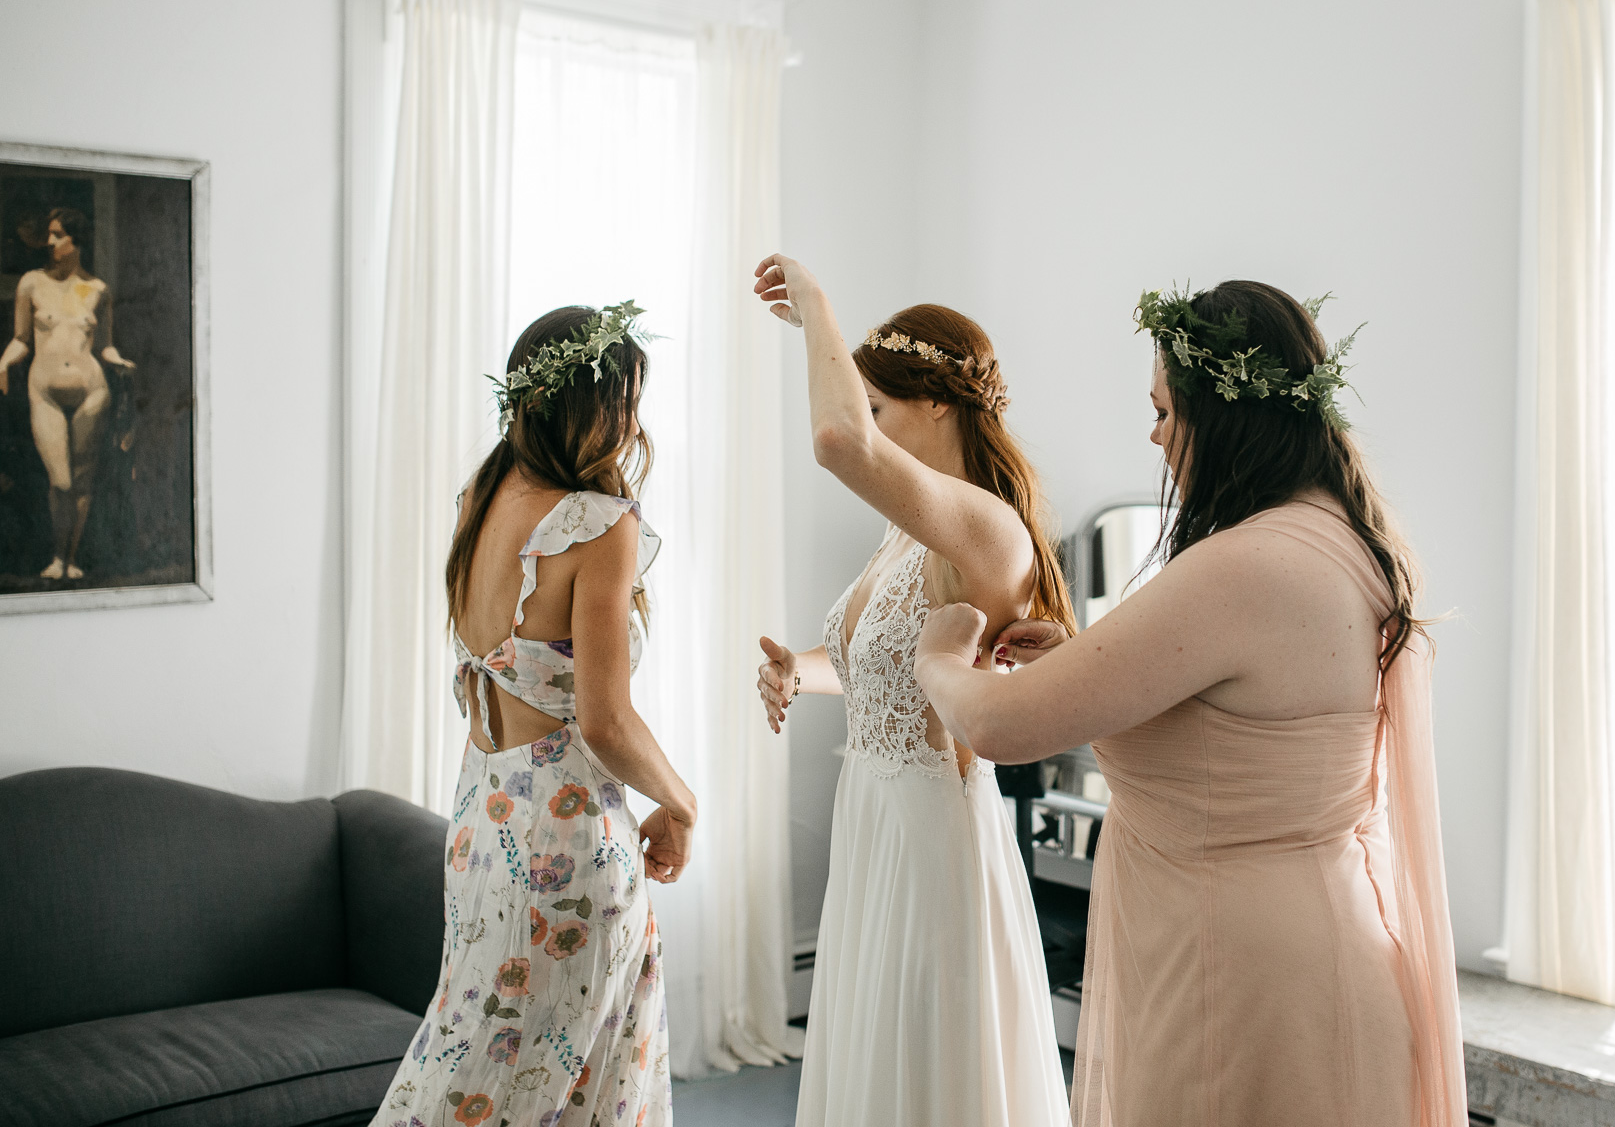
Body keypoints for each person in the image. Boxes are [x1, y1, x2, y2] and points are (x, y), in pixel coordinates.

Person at [914, 281, 1467, 1127]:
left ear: (1224, 416)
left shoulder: (1244, 563)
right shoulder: (1352, 540)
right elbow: (1250, 723)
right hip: (1319, 947)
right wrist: (1089, 665)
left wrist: (940, 656)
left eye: (1167, 410)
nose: (1156, 434)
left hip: (1239, 976)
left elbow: (999, 727)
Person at [748, 254, 1073, 1127]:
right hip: (873, 819)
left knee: (925, 1064)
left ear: (935, 401)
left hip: (932, 834)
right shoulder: (903, 537)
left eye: (881, 405)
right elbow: (882, 669)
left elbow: (835, 441)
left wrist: (817, 307)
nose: (871, 426)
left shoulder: (988, 526)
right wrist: (800, 670)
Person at [374, 303, 693, 1127]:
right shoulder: (599, 525)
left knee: (469, 1052)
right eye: (624, 402)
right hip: (567, 839)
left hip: (483, 818)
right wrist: (683, 802)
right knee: (576, 1087)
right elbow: (605, 721)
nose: (631, 424)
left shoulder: (481, 494)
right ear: (591, 406)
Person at [0, 207, 134, 580]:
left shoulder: (98, 289)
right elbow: (21, 339)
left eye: (59, 235)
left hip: (92, 390)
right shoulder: (31, 283)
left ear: (77, 241)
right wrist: (2, 363)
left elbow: (104, 347)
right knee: (60, 480)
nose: (50, 242)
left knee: (82, 480)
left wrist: (119, 361)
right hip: (45, 391)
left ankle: (67, 559)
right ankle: (58, 556)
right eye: (50, 234)